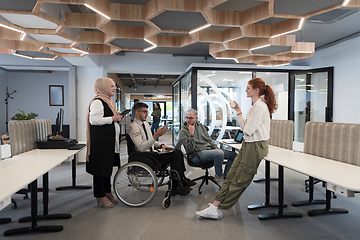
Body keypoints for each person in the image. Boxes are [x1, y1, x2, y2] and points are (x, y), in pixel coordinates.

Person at [195, 77, 277, 219]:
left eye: (248, 88)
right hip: (248, 144)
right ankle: (215, 206)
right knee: (231, 175)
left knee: (240, 180)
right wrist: (238, 111)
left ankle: (219, 206)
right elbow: (246, 128)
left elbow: (247, 130)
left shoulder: (260, 107)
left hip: (255, 146)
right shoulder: (254, 106)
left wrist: (241, 118)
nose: (246, 90)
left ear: (256, 90)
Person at [128, 102, 195, 196]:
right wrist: (156, 135)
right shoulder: (133, 127)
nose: (147, 114)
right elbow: (141, 147)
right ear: (137, 113)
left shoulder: (146, 124)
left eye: (147, 112)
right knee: (176, 155)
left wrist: (161, 146)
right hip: (144, 157)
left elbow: (151, 142)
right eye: (144, 112)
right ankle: (178, 184)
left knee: (177, 152)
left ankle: (181, 180)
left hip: (152, 154)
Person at [86, 77, 125, 208]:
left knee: (107, 168)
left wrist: (117, 119)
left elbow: (108, 119)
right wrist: (113, 118)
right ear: (103, 87)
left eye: (114, 86)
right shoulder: (98, 102)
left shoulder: (108, 101)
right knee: (100, 169)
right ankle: (100, 196)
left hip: (108, 141)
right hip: (101, 142)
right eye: (111, 86)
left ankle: (107, 192)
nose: (114, 88)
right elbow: (94, 120)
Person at [179, 109, 237, 186]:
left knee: (233, 155)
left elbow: (208, 139)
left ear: (196, 118)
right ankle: (218, 177)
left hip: (208, 150)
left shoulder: (200, 126)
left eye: (190, 118)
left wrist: (215, 147)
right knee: (219, 154)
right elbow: (190, 149)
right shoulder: (183, 131)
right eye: (186, 117)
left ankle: (225, 177)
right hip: (196, 154)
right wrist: (191, 134)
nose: (188, 120)